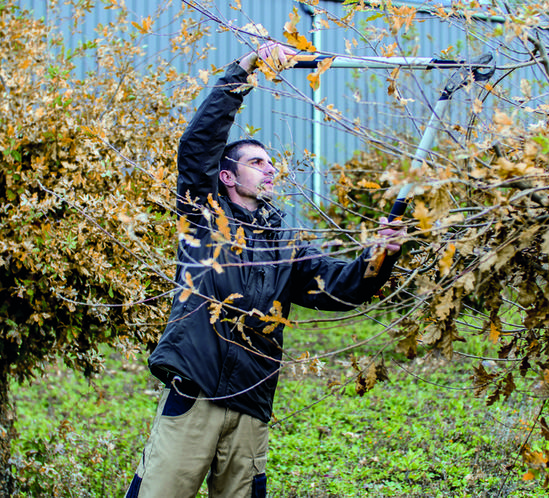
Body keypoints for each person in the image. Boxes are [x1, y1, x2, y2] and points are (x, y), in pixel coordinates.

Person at [125, 42, 403, 498]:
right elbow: (197, 147)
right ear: (228, 177)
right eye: (257, 162)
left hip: (252, 405)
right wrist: (245, 69)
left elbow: (340, 289)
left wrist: (381, 255)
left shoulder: (285, 243)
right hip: (195, 394)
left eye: (271, 162)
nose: (270, 169)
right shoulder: (205, 216)